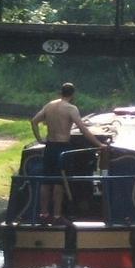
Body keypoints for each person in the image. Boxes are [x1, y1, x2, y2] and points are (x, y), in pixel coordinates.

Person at [31, 82, 110, 221]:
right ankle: (56, 214)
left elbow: (34, 121)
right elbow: (82, 129)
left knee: (45, 181)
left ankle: (43, 213)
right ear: (73, 94)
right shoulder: (71, 108)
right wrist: (99, 144)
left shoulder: (49, 105)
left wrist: (39, 140)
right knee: (59, 182)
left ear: (60, 92)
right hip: (62, 148)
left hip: (49, 147)